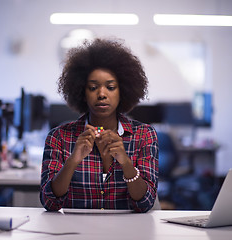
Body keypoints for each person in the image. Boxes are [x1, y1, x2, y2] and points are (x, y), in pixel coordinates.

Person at [40, 38, 158, 212]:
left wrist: (125, 163)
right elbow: (50, 203)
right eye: (93, 87)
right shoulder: (59, 137)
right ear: (81, 92)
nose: (102, 94)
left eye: (110, 87)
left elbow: (145, 203)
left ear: (123, 91)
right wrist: (73, 160)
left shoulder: (144, 135)